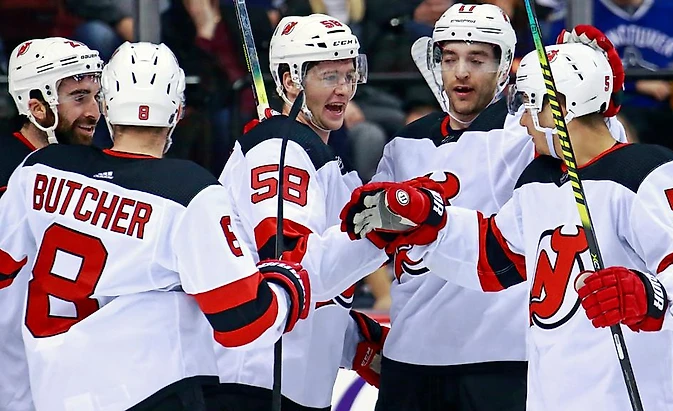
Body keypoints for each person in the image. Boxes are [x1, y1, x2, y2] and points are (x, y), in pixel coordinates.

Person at [343, 41, 673, 410]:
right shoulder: (538, 179)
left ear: (564, 105)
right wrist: (428, 220)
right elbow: (492, 255)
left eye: (530, 105)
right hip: (554, 394)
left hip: (636, 393)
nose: (524, 120)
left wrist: (649, 295)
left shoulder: (647, 170)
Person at [0, 41, 310, 411]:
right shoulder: (188, 191)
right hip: (151, 393)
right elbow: (243, 322)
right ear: (178, 111)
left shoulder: (38, 169)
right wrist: (287, 283)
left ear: (106, 105)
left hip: (53, 392)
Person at [363, 5, 627, 410]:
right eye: (450, 58)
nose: (461, 72)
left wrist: (596, 93)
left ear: (504, 66)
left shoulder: (526, 132)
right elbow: (369, 238)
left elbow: (597, 152)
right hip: (411, 357)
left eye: (477, 60)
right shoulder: (403, 143)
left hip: (502, 360)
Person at [213, 14, 390, 411]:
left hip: (292, 388)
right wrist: (386, 225)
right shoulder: (280, 150)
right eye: (329, 76)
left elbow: (315, 297)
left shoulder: (318, 157)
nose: (343, 88)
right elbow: (289, 270)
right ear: (291, 81)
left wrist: (359, 342)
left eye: (349, 75)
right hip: (257, 387)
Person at [0, 37, 104, 411]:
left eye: (96, 96)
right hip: (15, 378)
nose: (94, 112)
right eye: (79, 97)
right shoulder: (6, 170)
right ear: (37, 106)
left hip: (82, 377)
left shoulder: (99, 167)